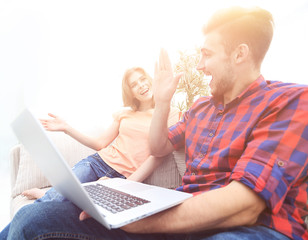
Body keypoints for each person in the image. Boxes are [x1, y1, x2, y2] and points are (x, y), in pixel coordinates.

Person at [1, 6, 307, 240]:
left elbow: (245, 205)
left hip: (254, 228)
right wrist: (162, 102)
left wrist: (138, 219)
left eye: (207, 55)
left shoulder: (290, 102)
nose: (199, 66)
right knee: (34, 220)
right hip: (181, 218)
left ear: (240, 54)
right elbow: (159, 146)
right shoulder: (200, 109)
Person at [21, 66, 178, 202]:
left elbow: (158, 156)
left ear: (151, 80)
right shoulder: (124, 114)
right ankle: (49, 195)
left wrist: (127, 184)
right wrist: (66, 128)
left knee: (74, 205)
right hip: (97, 163)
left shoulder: (169, 114)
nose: (141, 86)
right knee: (56, 200)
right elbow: (100, 144)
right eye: (134, 85)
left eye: (143, 80)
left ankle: (51, 194)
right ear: (131, 92)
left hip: (121, 177)